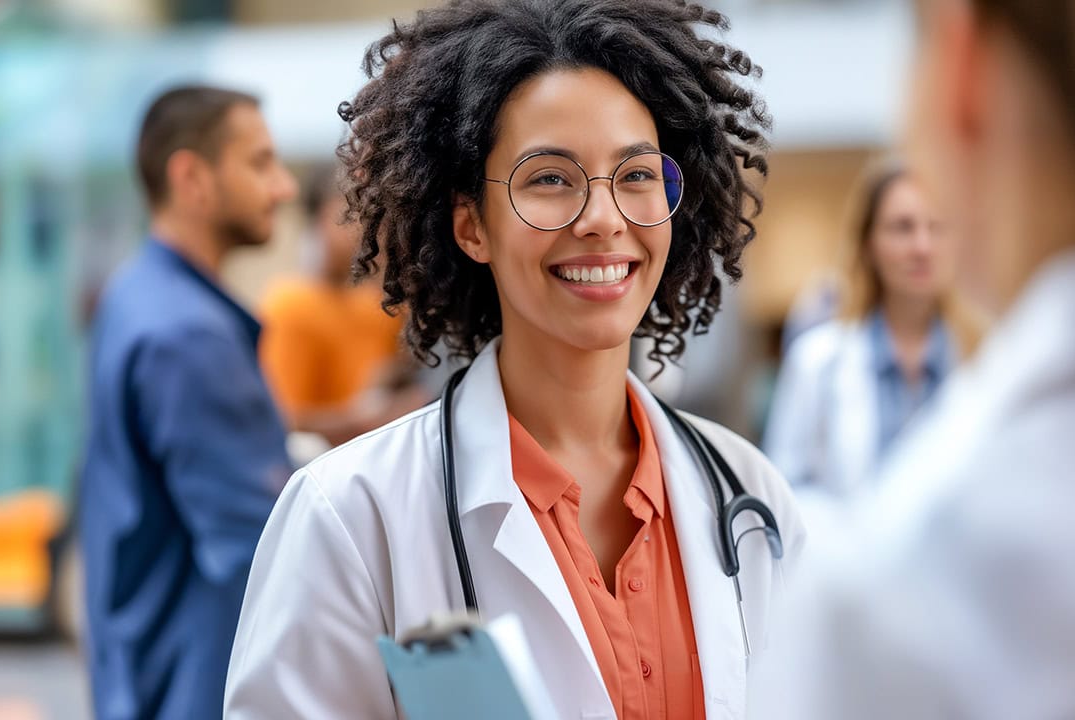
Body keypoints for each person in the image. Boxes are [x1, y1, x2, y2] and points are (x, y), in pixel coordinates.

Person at [224, 1, 806, 718]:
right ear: (471, 225)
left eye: (636, 175)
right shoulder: (350, 516)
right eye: (551, 179)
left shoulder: (751, 499)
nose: (603, 218)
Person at [755, 0, 1075, 717]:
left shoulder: (900, 598)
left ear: (962, 67)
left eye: (925, 228)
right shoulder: (828, 359)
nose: (920, 246)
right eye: (901, 229)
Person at [80, 85, 297, 720]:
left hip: (139, 663)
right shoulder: (189, 336)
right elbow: (262, 556)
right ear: (191, 178)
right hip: (193, 686)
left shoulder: (135, 293)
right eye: (259, 163)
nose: (282, 188)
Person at [763, 158, 980, 496]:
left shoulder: (982, 363)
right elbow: (786, 494)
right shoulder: (817, 362)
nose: (922, 246)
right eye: (902, 227)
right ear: (868, 245)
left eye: (937, 227)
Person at [258, 164, 426, 448]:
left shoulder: (378, 304)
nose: (366, 226)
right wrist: (369, 420)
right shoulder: (290, 305)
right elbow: (283, 420)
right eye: (351, 212)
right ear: (321, 218)